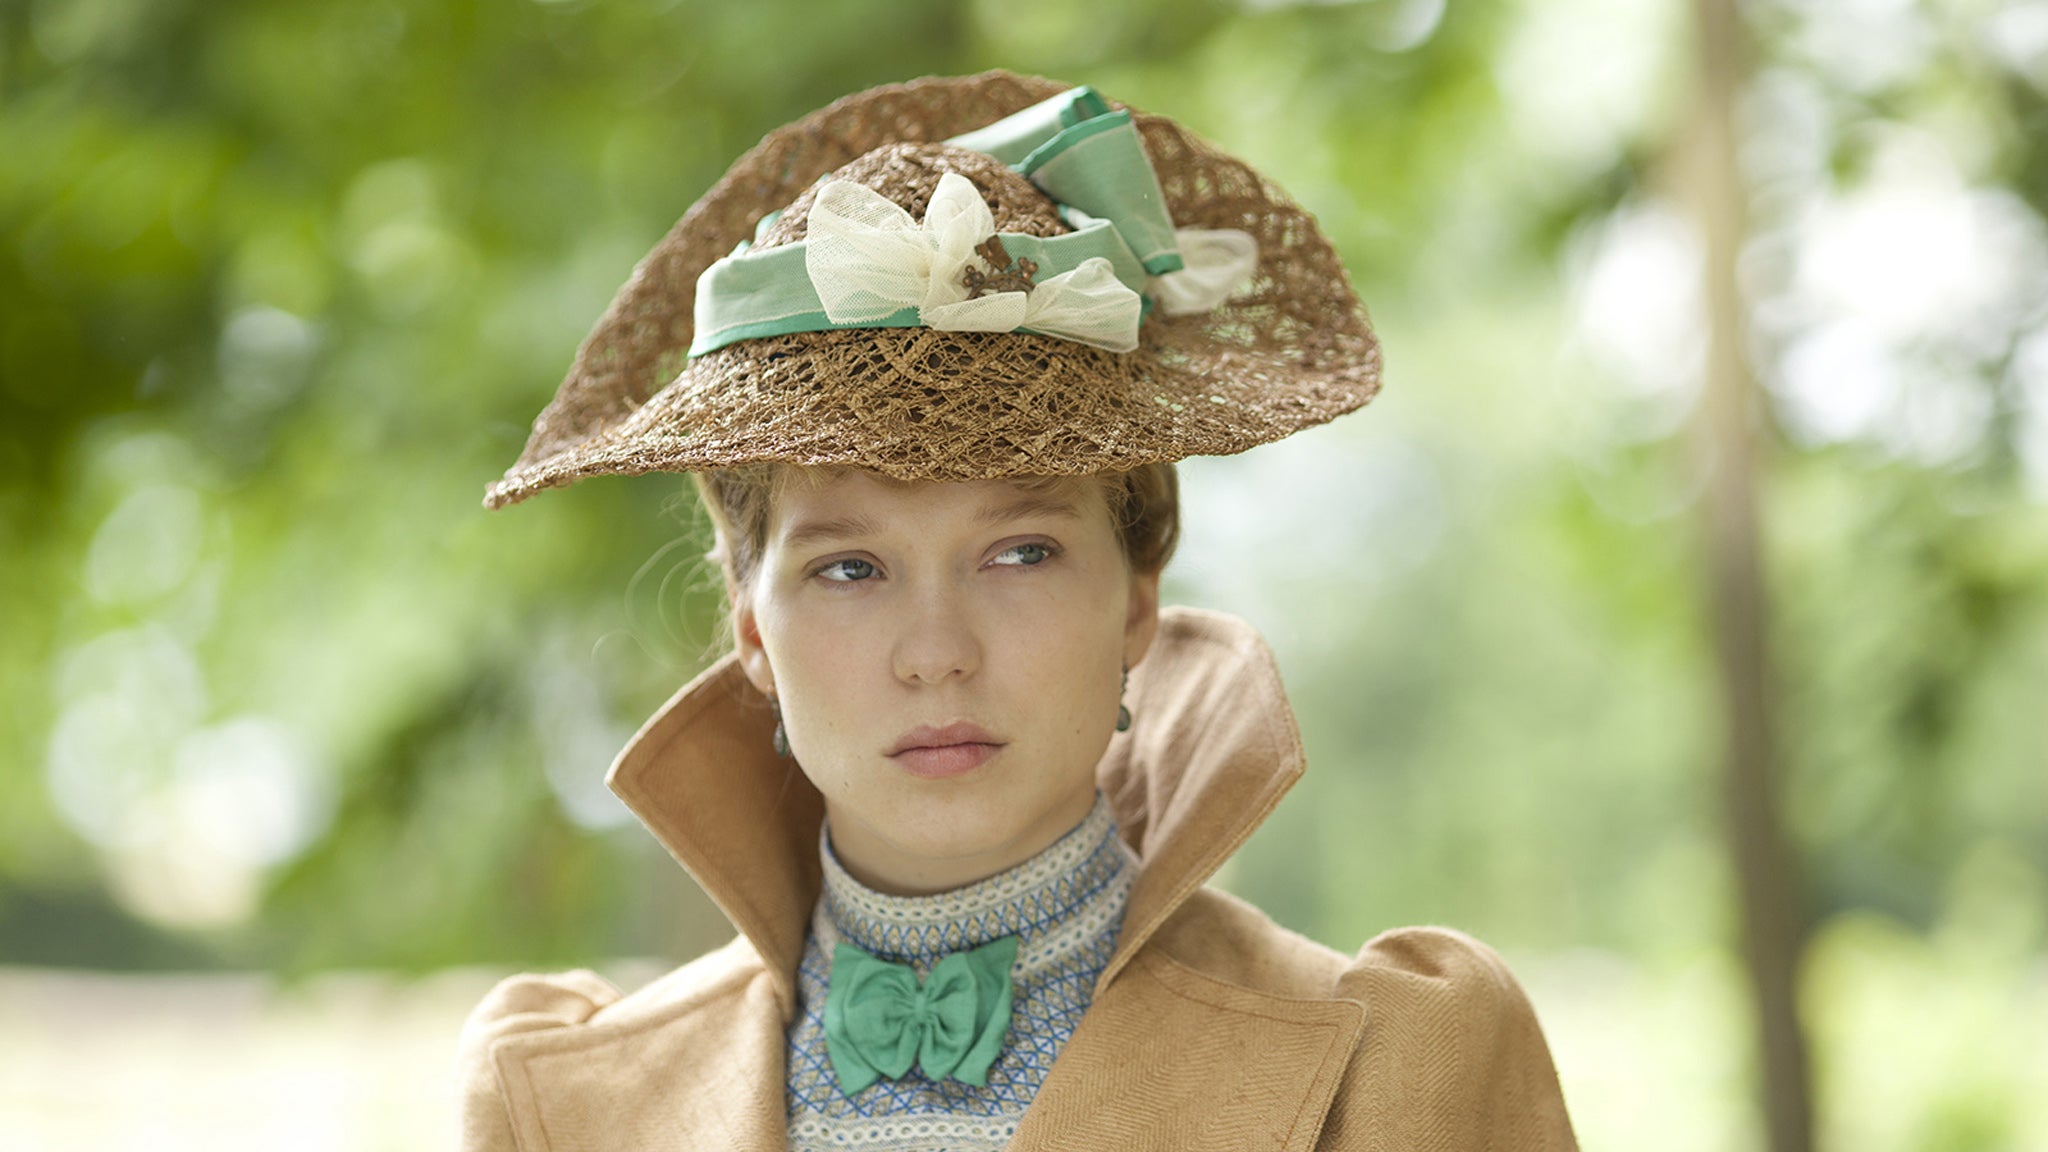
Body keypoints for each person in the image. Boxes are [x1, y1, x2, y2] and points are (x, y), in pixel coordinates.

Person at [459, 71, 1580, 1151]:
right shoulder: (564, 1112)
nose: (937, 656)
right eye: (849, 569)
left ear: (1139, 595)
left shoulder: (1398, 1072)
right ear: (751, 628)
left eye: (1020, 552)